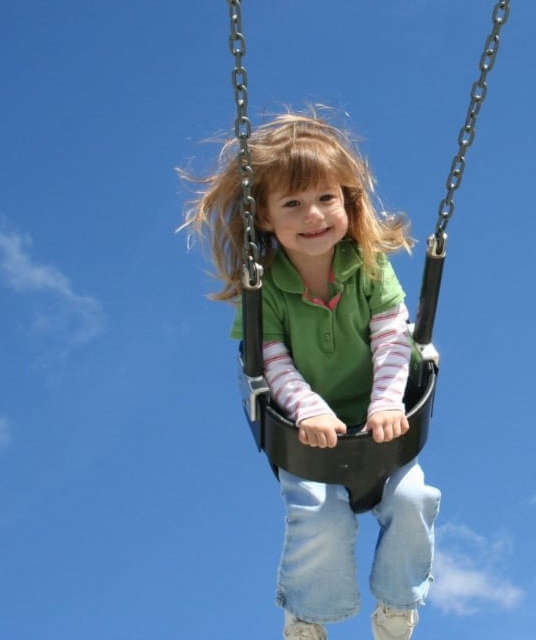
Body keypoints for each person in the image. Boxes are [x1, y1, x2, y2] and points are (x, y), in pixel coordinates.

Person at [181, 110, 440, 640]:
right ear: (266, 220)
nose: (314, 215)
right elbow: (270, 363)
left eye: (326, 198)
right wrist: (311, 411)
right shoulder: (265, 288)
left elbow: (393, 339)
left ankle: (397, 606)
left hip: (382, 420)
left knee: (415, 499)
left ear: (347, 201)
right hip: (309, 433)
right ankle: (308, 615)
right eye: (293, 203)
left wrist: (387, 404)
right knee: (320, 516)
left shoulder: (369, 263)